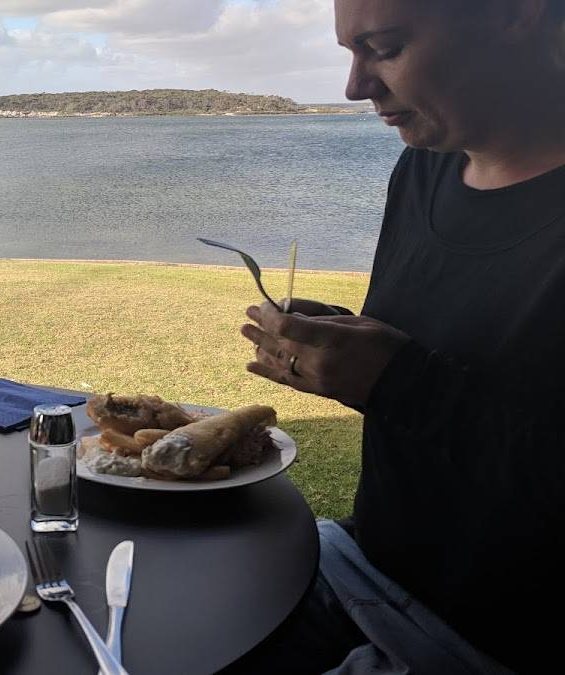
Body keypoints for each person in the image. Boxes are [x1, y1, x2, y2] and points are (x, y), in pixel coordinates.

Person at [224, 1, 565, 673]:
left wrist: (398, 380)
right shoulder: (427, 167)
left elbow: (429, 391)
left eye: (385, 47)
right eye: (351, 52)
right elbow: (454, 367)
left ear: (514, 15)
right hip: (366, 569)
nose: (356, 86)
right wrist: (343, 348)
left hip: (497, 638)